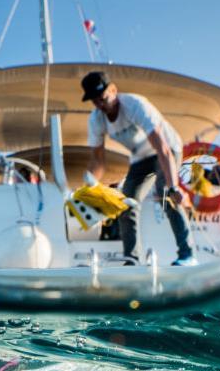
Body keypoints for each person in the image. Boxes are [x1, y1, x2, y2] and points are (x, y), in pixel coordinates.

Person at [81, 71, 196, 266]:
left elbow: (162, 149)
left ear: (113, 90)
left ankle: (188, 254)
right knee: (126, 203)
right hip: (140, 159)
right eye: (95, 101)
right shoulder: (96, 120)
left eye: (103, 98)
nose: (100, 105)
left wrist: (174, 186)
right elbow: (98, 162)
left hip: (167, 149)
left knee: (165, 192)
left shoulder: (135, 106)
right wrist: (88, 187)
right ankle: (132, 259)